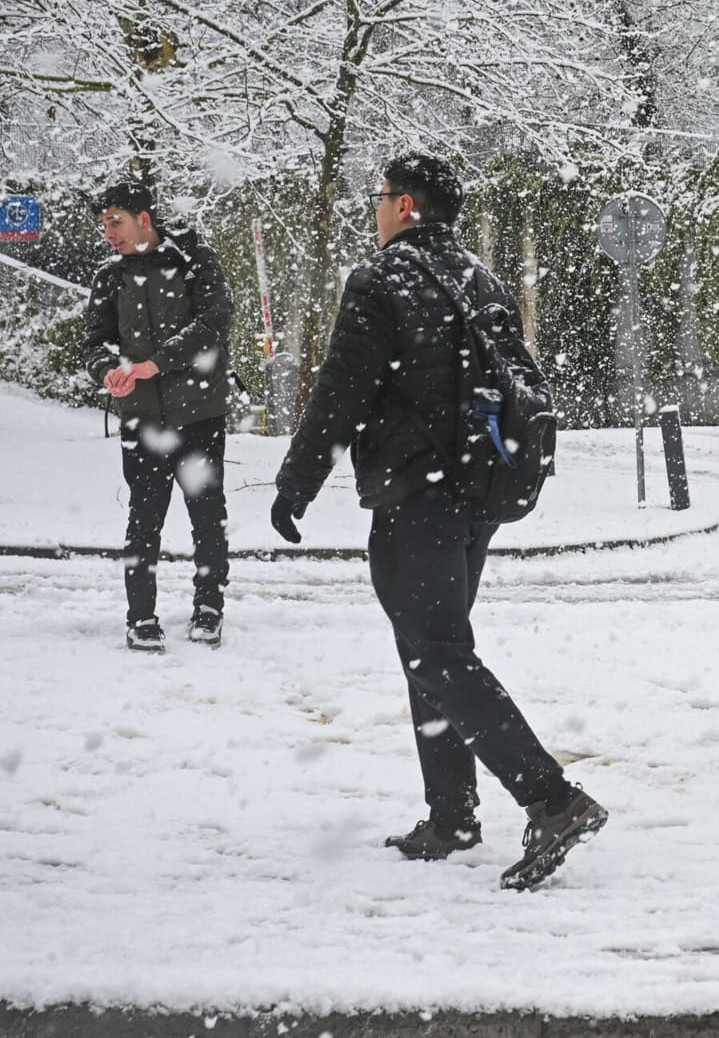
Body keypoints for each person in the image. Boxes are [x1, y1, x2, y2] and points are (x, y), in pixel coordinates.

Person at [271, 153, 605, 891]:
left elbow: (340, 393)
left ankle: (552, 799)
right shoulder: (479, 278)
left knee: (436, 652)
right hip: (476, 494)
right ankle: (451, 814)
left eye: (383, 196)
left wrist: (296, 483)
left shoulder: (382, 279)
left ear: (408, 207)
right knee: (433, 647)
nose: (377, 207)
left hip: (414, 493)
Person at [79, 181, 235, 652]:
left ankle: (209, 607)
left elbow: (213, 324)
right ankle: (140, 616)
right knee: (144, 518)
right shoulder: (110, 277)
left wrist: (155, 363)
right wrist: (108, 371)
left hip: (199, 414)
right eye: (102, 224)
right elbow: (93, 343)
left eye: (115, 221)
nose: (108, 233)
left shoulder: (193, 261)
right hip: (141, 418)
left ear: (143, 217)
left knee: (207, 515)